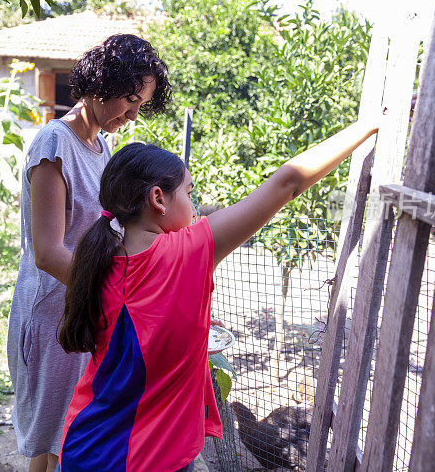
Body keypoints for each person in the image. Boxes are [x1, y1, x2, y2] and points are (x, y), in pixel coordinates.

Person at [56, 119, 380, 471]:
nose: (194, 206)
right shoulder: (188, 251)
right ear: (158, 199)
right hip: (144, 460)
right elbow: (288, 182)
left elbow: (134, 332)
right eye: (189, 192)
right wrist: (367, 126)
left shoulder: (97, 259)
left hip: (82, 446)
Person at [6, 34, 171, 472]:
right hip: (53, 316)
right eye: (129, 101)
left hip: (86, 308)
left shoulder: (103, 149)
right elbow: (47, 252)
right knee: (52, 441)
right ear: (103, 84)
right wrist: (115, 289)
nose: (133, 116)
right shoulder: (54, 146)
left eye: (141, 107)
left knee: (71, 433)